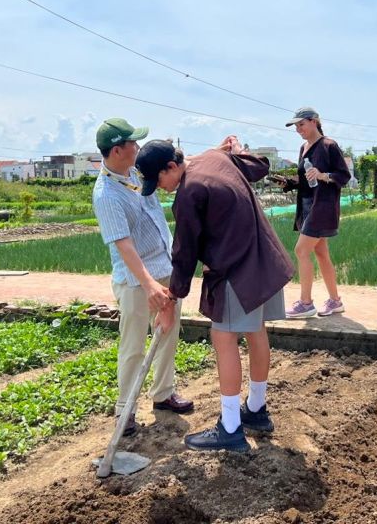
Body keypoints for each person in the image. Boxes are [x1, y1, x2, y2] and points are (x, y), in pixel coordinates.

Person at [135, 137, 294, 452]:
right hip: (265, 258)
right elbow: (259, 167)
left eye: (160, 179)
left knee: (224, 339)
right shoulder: (214, 158)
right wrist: (235, 150)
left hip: (238, 269)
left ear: (171, 166)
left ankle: (231, 428)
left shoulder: (189, 192)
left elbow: (185, 252)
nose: (162, 188)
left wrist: (171, 299)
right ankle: (257, 410)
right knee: (256, 331)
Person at [92, 118, 194, 438]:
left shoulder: (137, 173)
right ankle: (126, 409)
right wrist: (149, 284)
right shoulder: (106, 194)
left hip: (164, 266)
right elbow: (124, 246)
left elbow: (175, 166)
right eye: (133, 144)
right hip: (135, 281)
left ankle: (163, 394)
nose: (138, 147)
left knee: (167, 333)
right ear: (118, 150)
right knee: (133, 345)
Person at [270, 107, 351, 319]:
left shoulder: (329, 146)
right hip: (307, 205)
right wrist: (288, 182)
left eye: (301, 124)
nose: (298, 129)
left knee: (301, 251)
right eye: (295, 126)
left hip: (322, 206)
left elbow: (343, 176)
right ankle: (335, 301)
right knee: (321, 253)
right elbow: (307, 180)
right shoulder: (303, 148)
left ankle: (306, 303)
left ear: (314, 121)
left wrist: (324, 175)